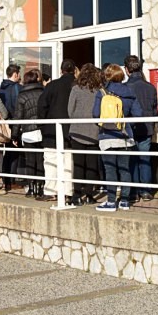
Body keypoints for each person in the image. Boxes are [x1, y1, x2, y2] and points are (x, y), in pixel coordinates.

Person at [93, 63, 144, 211]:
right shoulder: (129, 91)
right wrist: (125, 124)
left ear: (107, 76)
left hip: (107, 135)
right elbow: (138, 114)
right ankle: (125, 201)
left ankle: (110, 201)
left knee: (110, 169)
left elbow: (96, 115)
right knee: (125, 169)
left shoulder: (102, 92)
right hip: (125, 135)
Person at [39, 59, 77, 199]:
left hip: (51, 129)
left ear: (61, 70)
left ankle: (50, 191)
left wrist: (42, 125)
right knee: (68, 161)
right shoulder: (77, 85)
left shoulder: (52, 85)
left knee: (51, 161)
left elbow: (42, 106)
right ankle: (68, 191)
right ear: (74, 70)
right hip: (71, 129)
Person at [68, 63, 105, 205]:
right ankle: (89, 194)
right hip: (94, 132)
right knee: (92, 166)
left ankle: (77, 195)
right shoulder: (100, 91)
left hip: (77, 131)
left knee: (78, 165)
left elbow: (70, 111)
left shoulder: (76, 89)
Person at [125, 55, 158, 203]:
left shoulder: (125, 88)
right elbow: (154, 108)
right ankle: (145, 190)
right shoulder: (150, 87)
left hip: (131, 127)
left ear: (127, 70)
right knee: (145, 159)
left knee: (132, 160)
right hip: (147, 127)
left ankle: (133, 192)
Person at [14, 69, 45, 198]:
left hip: (27, 132)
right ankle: (40, 187)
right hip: (42, 130)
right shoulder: (43, 92)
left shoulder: (21, 95)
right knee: (40, 160)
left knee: (30, 161)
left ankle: (31, 188)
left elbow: (18, 117)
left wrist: (14, 135)